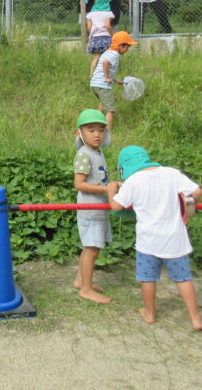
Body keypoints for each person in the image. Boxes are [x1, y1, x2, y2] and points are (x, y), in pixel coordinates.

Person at [108, 145, 202, 331]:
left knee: (148, 279)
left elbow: (116, 206)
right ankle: (195, 319)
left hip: (148, 242)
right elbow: (197, 192)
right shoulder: (171, 173)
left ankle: (150, 313)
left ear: (124, 168)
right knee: (183, 279)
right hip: (175, 240)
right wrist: (187, 208)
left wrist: (111, 189)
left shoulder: (133, 181)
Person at [72, 109, 117, 304]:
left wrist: (111, 186)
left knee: (91, 247)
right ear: (80, 133)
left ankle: (80, 281)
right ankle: (86, 289)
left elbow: (99, 179)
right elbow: (79, 184)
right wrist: (106, 189)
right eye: (91, 130)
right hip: (90, 210)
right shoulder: (84, 154)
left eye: (101, 130)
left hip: (99, 208)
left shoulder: (97, 152)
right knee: (92, 249)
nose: (97, 134)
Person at [89, 31, 138, 128]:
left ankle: (96, 123)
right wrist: (107, 77)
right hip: (102, 86)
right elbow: (105, 63)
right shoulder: (115, 54)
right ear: (120, 46)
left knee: (103, 103)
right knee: (110, 110)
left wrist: (115, 80)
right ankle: (108, 131)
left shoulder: (108, 52)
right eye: (127, 47)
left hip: (95, 84)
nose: (127, 50)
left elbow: (104, 69)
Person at [85, 0, 115, 77]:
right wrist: (112, 35)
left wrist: (92, 34)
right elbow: (108, 25)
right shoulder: (108, 13)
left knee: (96, 57)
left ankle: (91, 75)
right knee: (107, 57)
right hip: (106, 37)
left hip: (95, 38)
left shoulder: (91, 14)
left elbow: (89, 27)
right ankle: (106, 75)